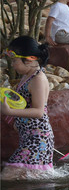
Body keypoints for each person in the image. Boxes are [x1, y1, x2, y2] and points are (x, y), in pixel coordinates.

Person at [1, 36, 54, 180]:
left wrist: (9, 112)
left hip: (38, 139)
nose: (12, 65)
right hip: (28, 137)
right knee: (23, 180)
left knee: (7, 177)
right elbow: (24, 104)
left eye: (14, 60)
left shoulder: (38, 79)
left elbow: (38, 111)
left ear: (30, 59)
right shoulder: (27, 77)